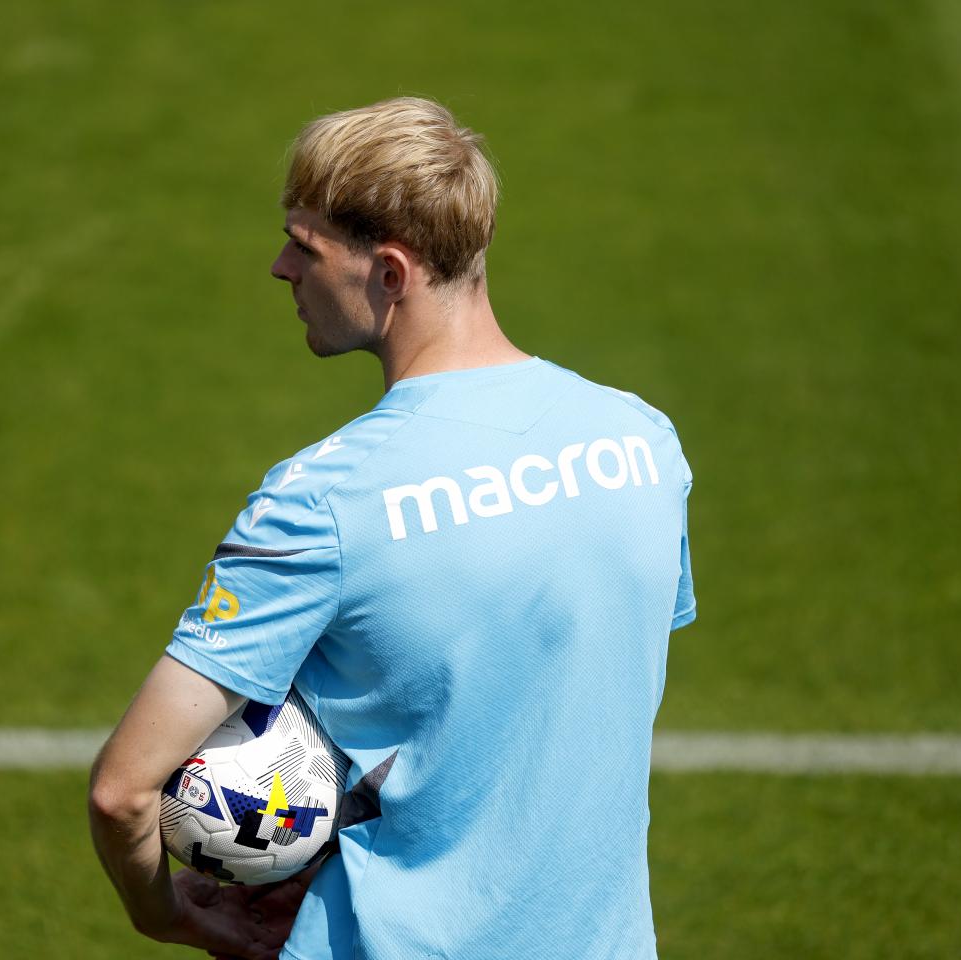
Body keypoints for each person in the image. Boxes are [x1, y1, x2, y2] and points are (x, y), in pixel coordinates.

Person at [89, 96, 696, 960]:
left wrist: (168, 915)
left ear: (391, 274)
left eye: (305, 249)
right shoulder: (642, 442)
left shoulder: (321, 500)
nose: (278, 270)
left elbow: (124, 791)